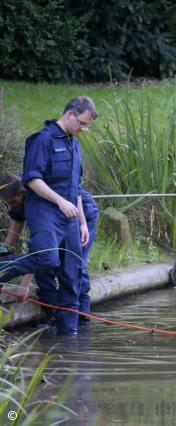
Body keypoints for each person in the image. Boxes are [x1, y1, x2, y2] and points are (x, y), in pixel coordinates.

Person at [0, 96, 97, 334]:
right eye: (82, 123)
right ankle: (2, 270)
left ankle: (70, 339)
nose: (83, 129)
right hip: (45, 212)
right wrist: (59, 201)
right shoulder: (41, 139)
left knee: (71, 276)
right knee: (47, 259)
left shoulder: (74, 144)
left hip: (71, 218)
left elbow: (75, 189)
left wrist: (83, 223)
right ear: (71, 114)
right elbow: (32, 179)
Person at [0, 175, 99, 326]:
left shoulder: (38, 200)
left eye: (13, 202)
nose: (11, 206)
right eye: (8, 204)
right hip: (56, 218)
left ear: (23, 193)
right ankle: (53, 314)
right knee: (46, 266)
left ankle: (81, 317)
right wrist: (4, 248)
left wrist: (24, 284)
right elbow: (17, 222)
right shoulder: (15, 196)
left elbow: (37, 253)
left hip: (80, 214)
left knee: (74, 265)